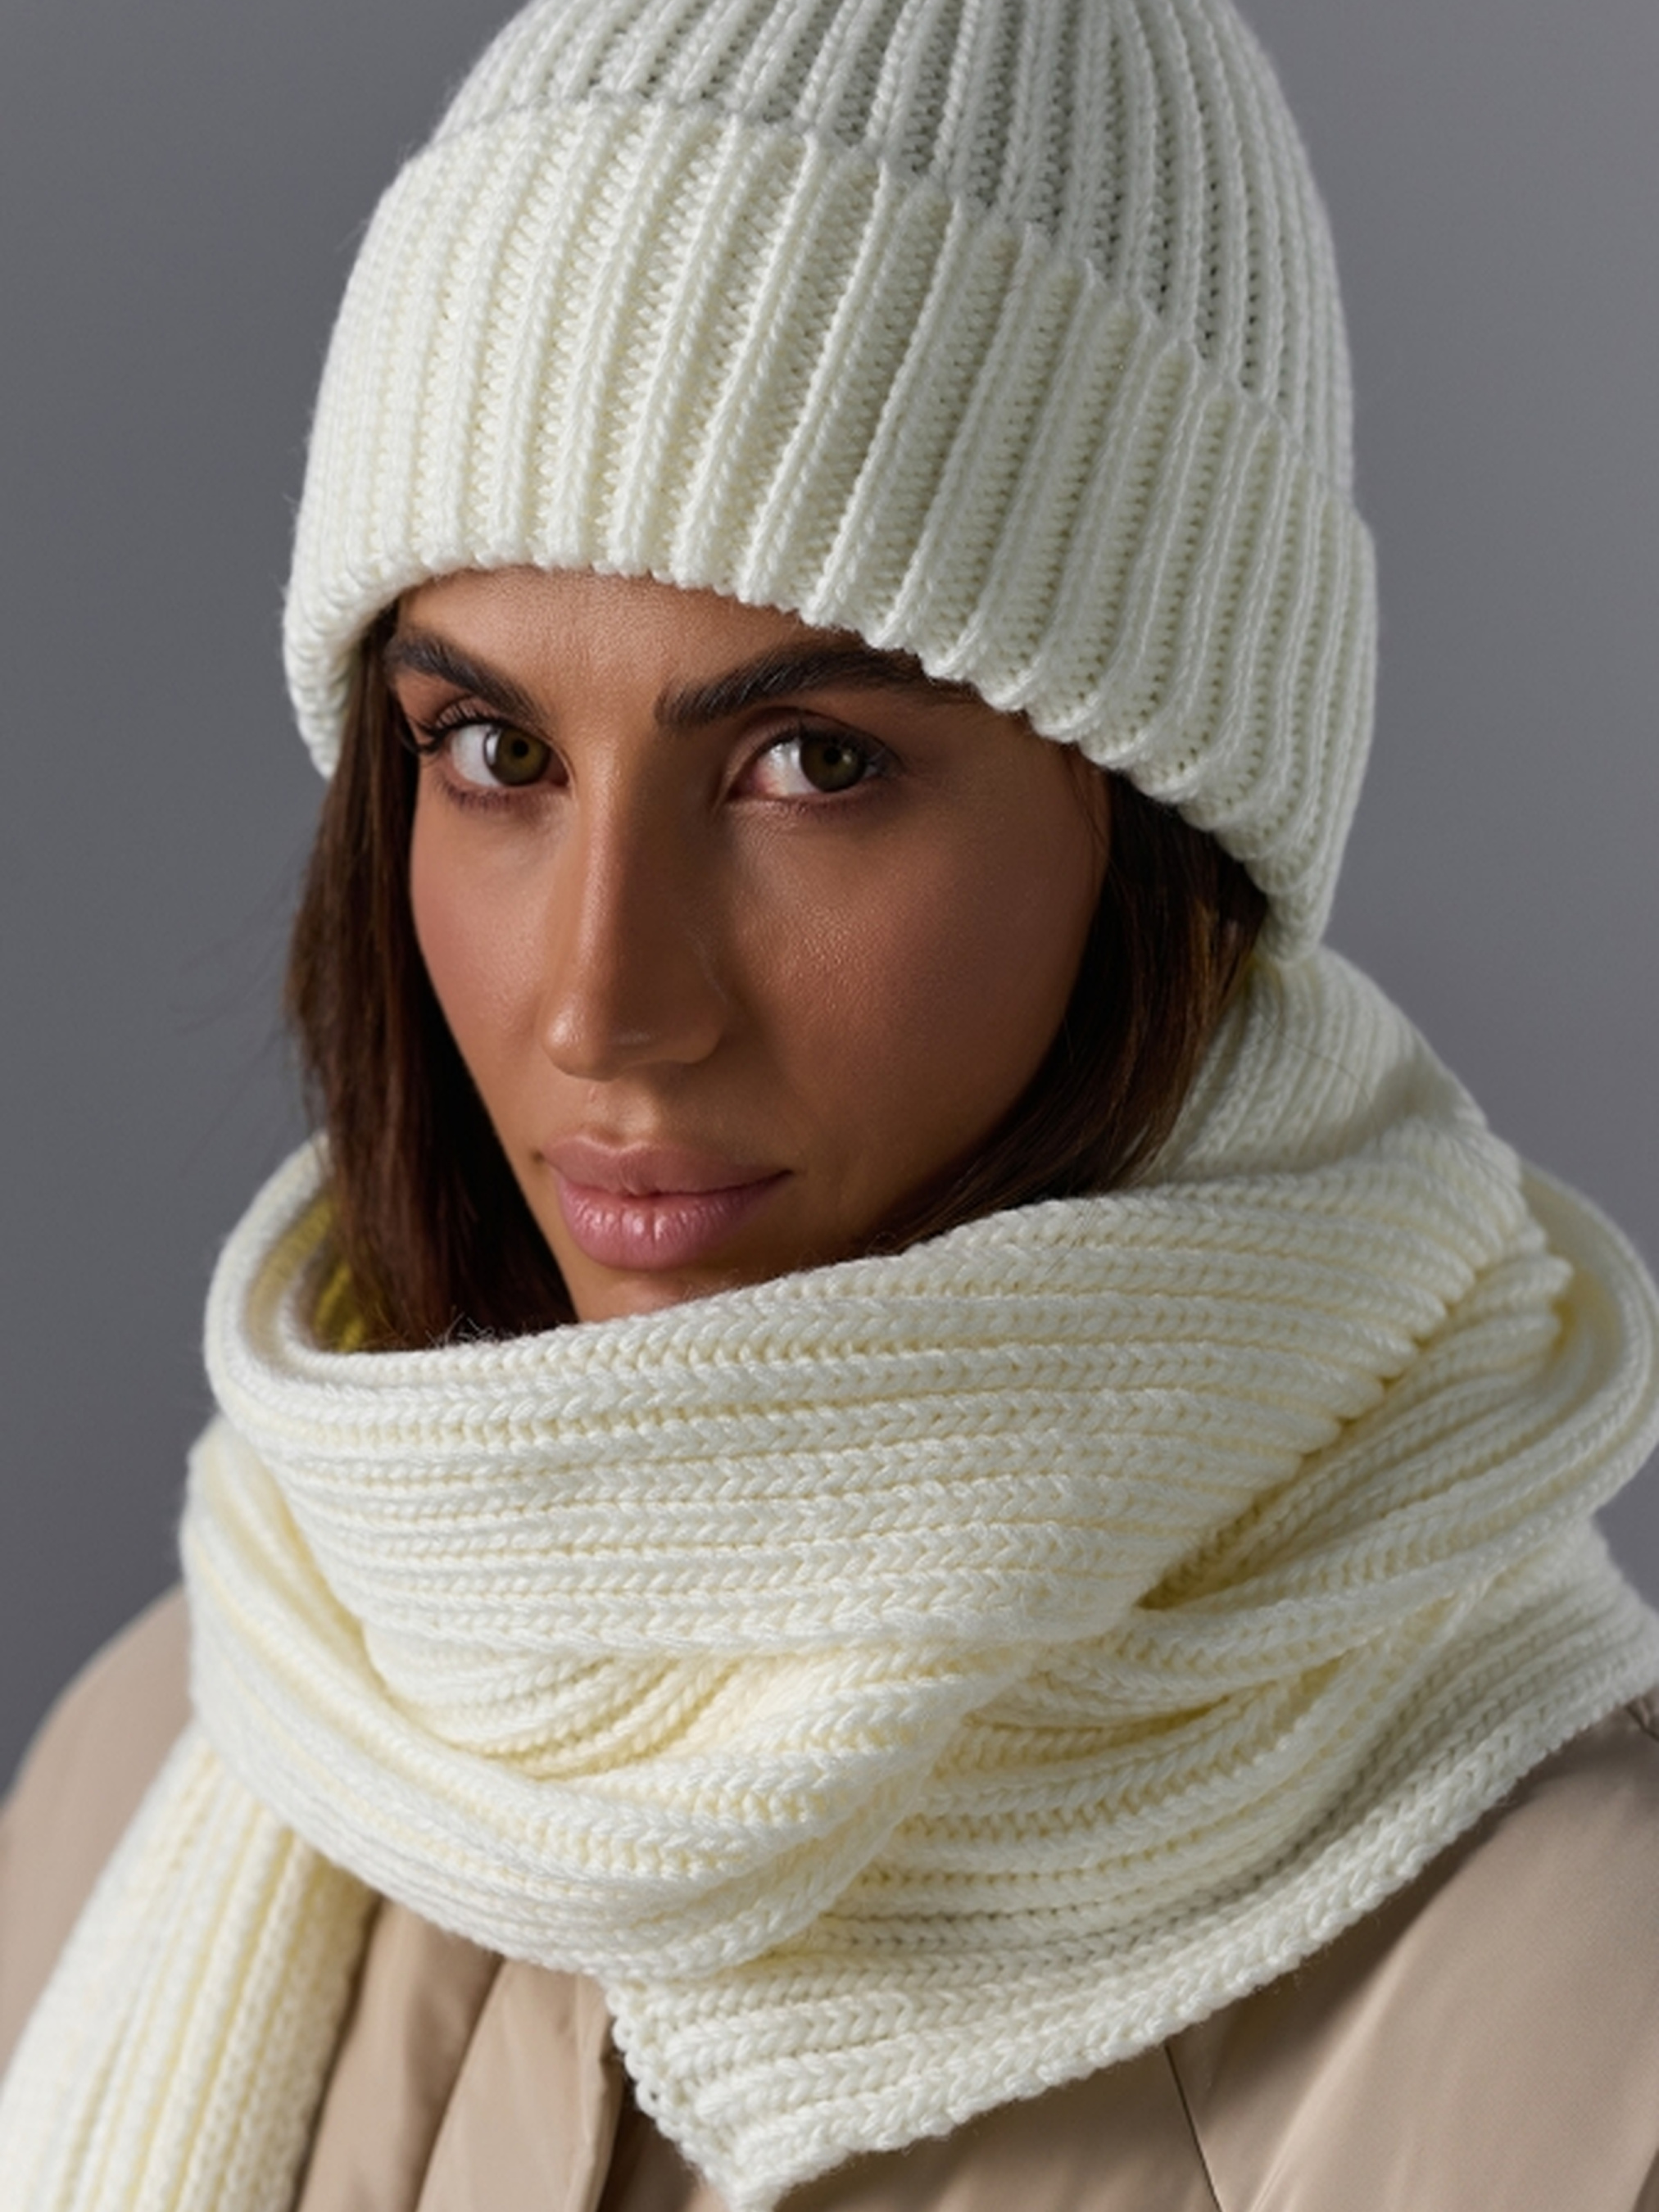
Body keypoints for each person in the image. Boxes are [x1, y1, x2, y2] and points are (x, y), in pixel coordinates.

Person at [2, 0, 1658, 2205]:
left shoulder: (1585, 2022)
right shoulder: (159, 1759)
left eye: (813, 763)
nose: (603, 1004)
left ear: (1162, 830)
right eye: (494, 753)